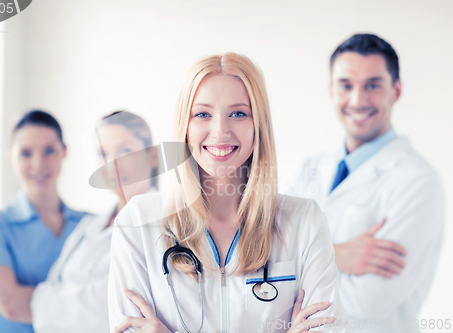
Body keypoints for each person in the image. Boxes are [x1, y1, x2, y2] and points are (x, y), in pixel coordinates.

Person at [108, 53, 349, 333]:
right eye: (202, 114)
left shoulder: (305, 222)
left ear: (258, 125)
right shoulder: (136, 223)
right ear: (184, 127)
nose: (220, 131)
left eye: (238, 113)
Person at [287, 34, 445, 332]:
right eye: (346, 85)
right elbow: (263, 260)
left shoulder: (419, 182)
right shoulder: (311, 168)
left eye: (373, 85)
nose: (358, 100)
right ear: (331, 90)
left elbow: (369, 301)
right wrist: (337, 254)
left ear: (395, 91)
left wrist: (297, 264)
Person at [30, 111, 159, 333]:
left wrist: (53, 303)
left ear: (152, 156)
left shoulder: (164, 228)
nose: (113, 165)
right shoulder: (87, 226)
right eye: (102, 154)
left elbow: (108, 313)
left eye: (126, 151)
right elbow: (41, 298)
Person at [0, 110, 87, 333]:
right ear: (10, 158)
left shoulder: (91, 226)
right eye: (25, 153)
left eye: (49, 150)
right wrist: (88, 303)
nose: (38, 163)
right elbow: (11, 305)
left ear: (64, 152)